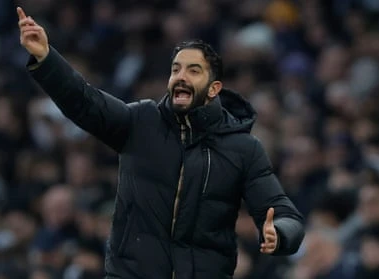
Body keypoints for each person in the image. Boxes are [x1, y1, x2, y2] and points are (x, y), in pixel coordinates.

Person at [17, 6, 305, 279]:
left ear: (214, 88)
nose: (181, 77)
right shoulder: (141, 121)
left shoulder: (243, 148)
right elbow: (85, 100)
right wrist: (46, 58)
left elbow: (282, 211)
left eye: (193, 71)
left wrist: (280, 233)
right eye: (176, 69)